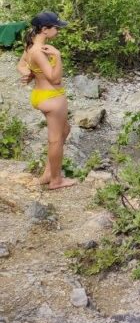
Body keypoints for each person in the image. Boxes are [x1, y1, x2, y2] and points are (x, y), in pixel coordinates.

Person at [18, 12, 75, 190]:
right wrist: (57, 56)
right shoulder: (38, 51)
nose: (58, 31)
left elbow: (20, 65)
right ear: (44, 29)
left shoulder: (30, 46)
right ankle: (56, 180)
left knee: (65, 129)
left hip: (40, 95)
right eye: (56, 28)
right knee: (55, 139)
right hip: (52, 98)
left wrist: (28, 73)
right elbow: (55, 79)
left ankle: (49, 173)